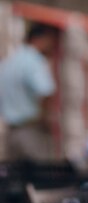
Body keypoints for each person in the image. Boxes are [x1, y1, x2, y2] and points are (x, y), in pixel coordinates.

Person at [0, 23, 60, 162]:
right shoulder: (34, 60)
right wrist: (46, 118)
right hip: (31, 130)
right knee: (42, 177)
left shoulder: (9, 62)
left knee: (14, 179)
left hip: (11, 131)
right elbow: (46, 91)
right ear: (39, 39)